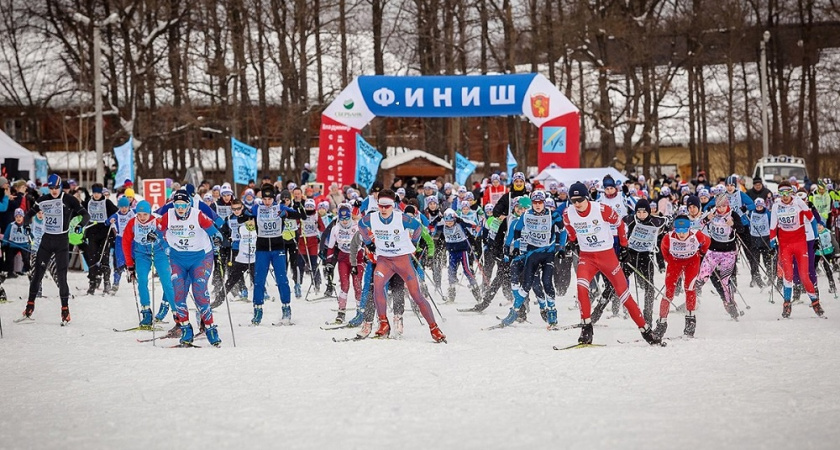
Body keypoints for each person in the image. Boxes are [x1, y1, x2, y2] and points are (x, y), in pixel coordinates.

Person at [560, 182, 660, 345]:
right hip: (587, 257)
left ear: (587, 198)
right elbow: (568, 227)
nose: (577, 204)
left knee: (623, 294)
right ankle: (586, 328)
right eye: (573, 200)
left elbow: (620, 224)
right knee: (581, 288)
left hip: (607, 256)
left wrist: (624, 247)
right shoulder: (568, 213)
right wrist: (573, 241)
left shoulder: (601, 209)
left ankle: (646, 330)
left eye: (580, 200)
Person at [357, 189, 446, 342]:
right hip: (384, 260)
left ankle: (434, 328)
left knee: (416, 295)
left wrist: (413, 243)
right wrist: (368, 243)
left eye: (387, 206)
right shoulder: (372, 218)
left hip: (402, 260)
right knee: (377, 286)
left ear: (393, 205)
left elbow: (418, 227)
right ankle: (383, 323)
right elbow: (360, 224)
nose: (383, 209)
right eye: (381, 206)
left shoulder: (402, 218)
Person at [22, 174, 90, 324]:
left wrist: (80, 225)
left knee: (62, 276)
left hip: (62, 242)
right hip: (47, 241)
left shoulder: (69, 199)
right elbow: (28, 215)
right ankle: (29, 306)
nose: (53, 190)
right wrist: (26, 225)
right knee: (37, 275)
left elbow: (86, 215)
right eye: (51, 188)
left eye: (56, 188)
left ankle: (65, 310)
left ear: (60, 187)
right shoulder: (43, 200)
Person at [158, 190, 222, 346]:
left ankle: (210, 327)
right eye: (177, 205)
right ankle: (186, 328)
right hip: (178, 259)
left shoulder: (197, 215)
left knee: (199, 292)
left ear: (189, 205)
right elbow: (157, 233)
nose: (180, 209)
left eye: (183, 205)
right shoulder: (168, 216)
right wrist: (164, 245)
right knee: (179, 294)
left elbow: (216, 233)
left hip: (200, 258)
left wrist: (217, 239)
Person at [498, 190, 560, 327]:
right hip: (524, 256)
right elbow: (511, 236)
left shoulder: (549, 216)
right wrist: (509, 251)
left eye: (524, 208)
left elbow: (561, 230)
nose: (522, 210)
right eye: (519, 208)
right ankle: (516, 310)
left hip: (541, 253)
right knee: (521, 282)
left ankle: (546, 309)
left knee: (540, 284)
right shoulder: (521, 219)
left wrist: (560, 247)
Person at [250, 184, 303, 325]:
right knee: (259, 280)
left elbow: (299, 215)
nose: (267, 202)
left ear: (274, 198)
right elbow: (242, 216)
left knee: (282, 279)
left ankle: (286, 308)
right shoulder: (257, 208)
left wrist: (289, 213)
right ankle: (258, 310)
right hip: (262, 249)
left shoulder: (280, 207)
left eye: (269, 199)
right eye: (264, 199)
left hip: (278, 248)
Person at [771, 182, 824, 318]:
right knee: (788, 275)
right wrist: (772, 242)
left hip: (800, 243)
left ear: (791, 193)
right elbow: (773, 227)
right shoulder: (776, 206)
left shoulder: (798, 202)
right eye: (781, 193)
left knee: (804, 275)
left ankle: (815, 303)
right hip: (785, 245)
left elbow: (812, 220)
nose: (784, 196)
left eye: (787, 193)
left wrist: (816, 238)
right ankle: (787, 304)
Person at [654, 215, 710, 339]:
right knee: (669, 292)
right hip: (675, 262)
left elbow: (707, 243)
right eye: (678, 230)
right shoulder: (668, 238)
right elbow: (664, 251)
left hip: (692, 262)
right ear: (674, 229)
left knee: (690, 288)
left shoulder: (697, 235)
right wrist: (671, 261)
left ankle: (690, 322)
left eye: (684, 230)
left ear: (689, 228)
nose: (681, 234)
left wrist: (701, 253)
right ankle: (661, 323)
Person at [123, 201, 176, 328]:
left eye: (145, 214)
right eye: (139, 214)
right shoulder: (132, 223)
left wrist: (160, 237)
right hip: (142, 255)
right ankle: (146, 312)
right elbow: (126, 243)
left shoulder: (157, 221)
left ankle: (177, 313)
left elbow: (169, 234)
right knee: (142, 280)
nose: (142, 217)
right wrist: (129, 264)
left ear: (150, 213)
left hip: (159, 253)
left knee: (166, 282)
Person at [324, 204, 363, 324]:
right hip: (343, 258)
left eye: (347, 218)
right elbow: (331, 247)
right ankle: (341, 312)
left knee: (357, 285)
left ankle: (360, 312)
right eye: (342, 219)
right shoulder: (335, 229)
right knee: (344, 285)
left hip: (357, 259)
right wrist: (329, 262)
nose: (345, 221)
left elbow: (366, 241)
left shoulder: (357, 226)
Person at [435, 208, 481, 304]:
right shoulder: (443, 226)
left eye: (451, 222)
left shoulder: (460, 223)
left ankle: (477, 294)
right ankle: (451, 295)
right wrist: (437, 219)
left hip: (463, 251)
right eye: (447, 222)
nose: (449, 224)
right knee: (451, 272)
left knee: (467, 270)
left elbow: (473, 225)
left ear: (454, 220)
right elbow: (430, 226)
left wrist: (461, 220)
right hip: (452, 252)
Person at [82, 183, 118, 294]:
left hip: (105, 234)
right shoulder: (88, 202)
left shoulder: (107, 202)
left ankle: (107, 282)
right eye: (95, 192)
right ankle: (92, 282)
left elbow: (116, 213)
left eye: (98, 192)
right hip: (92, 233)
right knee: (92, 258)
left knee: (104, 258)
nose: (96, 195)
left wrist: (112, 219)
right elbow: (80, 211)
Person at [2, 208, 30, 276]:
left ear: (23, 217)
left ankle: (27, 269)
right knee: (9, 257)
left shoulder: (26, 225)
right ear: (14, 217)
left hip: (24, 244)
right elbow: (6, 234)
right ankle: (8, 271)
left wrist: (32, 241)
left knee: (26, 258)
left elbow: (30, 234)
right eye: (17, 217)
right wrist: (5, 242)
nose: (18, 218)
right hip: (13, 244)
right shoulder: (11, 225)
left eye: (20, 216)